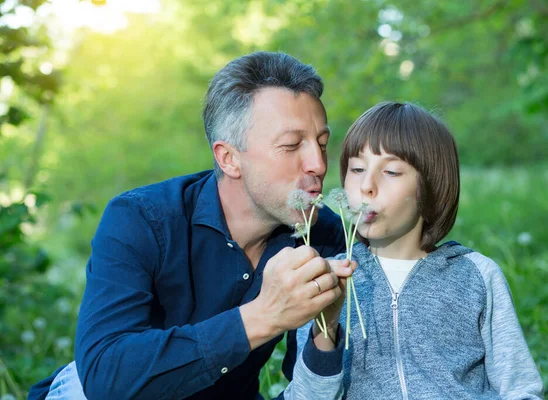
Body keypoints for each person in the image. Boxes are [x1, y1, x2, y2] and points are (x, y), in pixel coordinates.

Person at [28, 51, 354, 400]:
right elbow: (106, 377)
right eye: (291, 146)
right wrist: (263, 316)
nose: (318, 164)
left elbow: (306, 387)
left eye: (322, 143)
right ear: (229, 158)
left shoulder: (325, 234)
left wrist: (327, 332)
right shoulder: (141, 219)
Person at [285, 102, 544, 399]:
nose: (366, 186)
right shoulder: (322, 278)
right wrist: (326, 330)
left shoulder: (477, 276)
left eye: (392, 171)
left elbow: (520, 389)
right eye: (357, 169)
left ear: (430, 187)